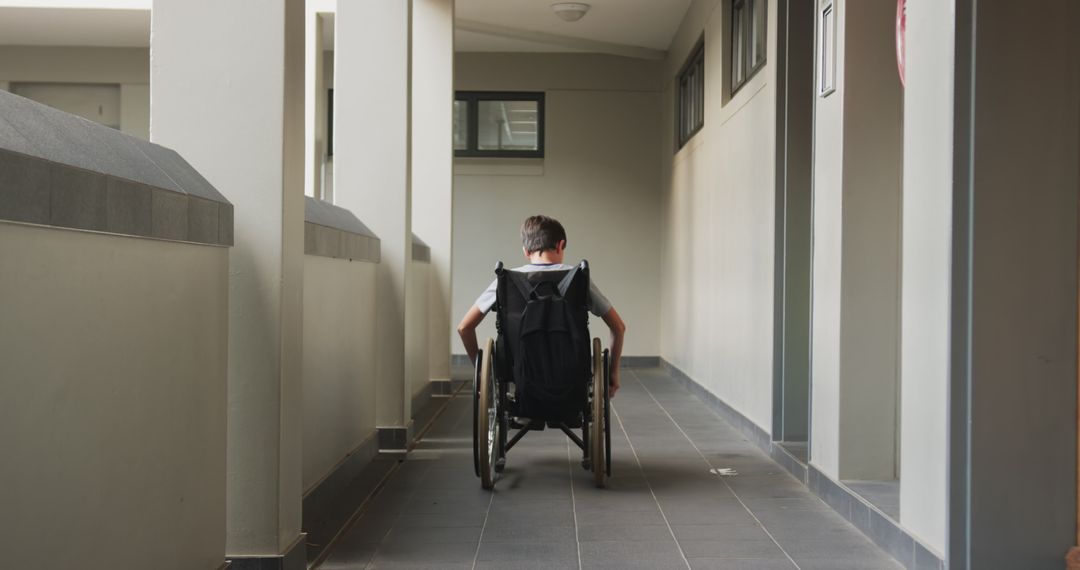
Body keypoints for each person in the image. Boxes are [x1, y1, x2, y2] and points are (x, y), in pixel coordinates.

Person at [457, 215, 626, 396]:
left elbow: (464, 327)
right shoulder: (578, 279)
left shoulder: (506, 280)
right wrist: (613, 373)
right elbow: (618, 327)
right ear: (561, 245)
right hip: (570, 368)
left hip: (519, 368)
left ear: (526, 251)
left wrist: (481, 371)